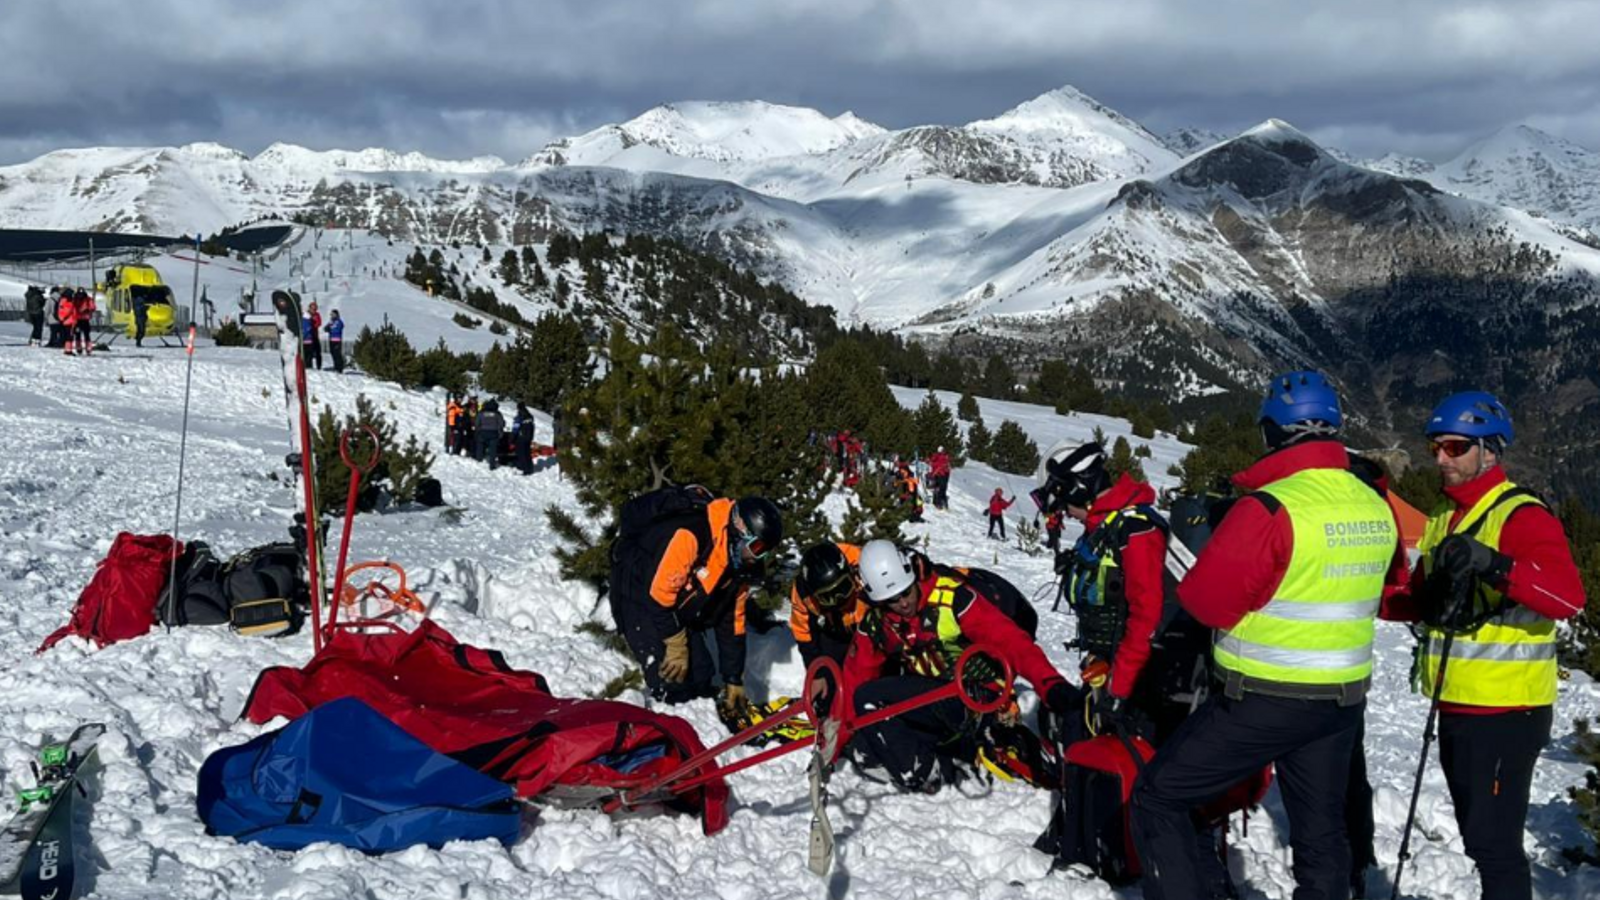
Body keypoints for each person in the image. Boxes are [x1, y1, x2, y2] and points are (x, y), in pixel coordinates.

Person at [1130, 371, 1404, 900]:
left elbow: (1206, 603)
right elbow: (1392, 586)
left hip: (1265, 698)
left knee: (1158, 797)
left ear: (1273, 434)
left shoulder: (1268, 507)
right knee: (1321, 834)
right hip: (1342, 700)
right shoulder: (1375, 503)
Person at [1381, 391, 1585, 900]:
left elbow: (1567, 597)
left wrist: (1495, 564)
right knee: (1480, 840)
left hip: (1507, 709)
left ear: (1490, 451)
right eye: (1435, 449)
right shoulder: (1441, 519)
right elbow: (1418, 602)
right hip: (1457, 704)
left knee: (1494, 845)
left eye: (1454, 448)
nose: (1441, 459)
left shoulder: (1521, 515)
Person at [844, 540, 1076, 791]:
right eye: (891, 599)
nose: (902, 603)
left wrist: (1049, 683)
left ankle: (923, 772)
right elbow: (856, 674)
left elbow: (1012, 643)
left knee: (870, 699)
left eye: (906, 592)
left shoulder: (953, 598)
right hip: (935, 703)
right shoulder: (878, 623)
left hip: (977, 698)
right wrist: (839, 733)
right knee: (864, 748)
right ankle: (948, 762)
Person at [1036, 441, 1177, 739]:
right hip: (1108, 663)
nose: (1066, 514)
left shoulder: (1136, 531)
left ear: (1078, 489)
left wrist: (1119, 688)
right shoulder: (1104, 528)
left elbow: (1146, 615)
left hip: (1138, 678)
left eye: (1065, 505)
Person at [609, 492, 782, 708]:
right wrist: (675, 643)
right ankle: (672, 713)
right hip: (638, 594)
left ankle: (709, 718)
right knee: (672, 679)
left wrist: (733, 678)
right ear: (740, 530)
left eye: (766, 551)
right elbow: (659, 597)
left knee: (701, 673)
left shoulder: (738, 563)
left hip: (673, 602)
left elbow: (732, 621)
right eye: (757, 548)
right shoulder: (691, 535)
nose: (760, 558)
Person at [790, 541, 868, 668]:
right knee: (828, 675)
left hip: (872, 625)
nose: (840, 599)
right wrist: (815, 669)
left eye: (844, 587)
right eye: (828, 596)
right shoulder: (803, 593)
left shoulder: (864, 562)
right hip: (835, 631)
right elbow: (803, 631)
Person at [474, 399, 505, 469]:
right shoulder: (497, 414)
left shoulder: (481, 412)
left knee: (480, 446)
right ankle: (492, 465)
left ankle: (479, 460)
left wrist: (478, 431)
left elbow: (477, 423)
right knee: (493, 449)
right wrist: (500, 433)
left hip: (483, 432)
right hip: (493, 433)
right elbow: (501, 424)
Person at [511, 402, 535, 474]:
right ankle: (530, 467)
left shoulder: (520, 416)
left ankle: (524, 468)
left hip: (521, 437)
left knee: (521, 453)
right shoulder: (529, 416)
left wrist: (512, 439)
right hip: (529, 436)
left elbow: (516, 428)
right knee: (527, 452)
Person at [72, 288, 95, 356]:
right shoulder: (75, 299)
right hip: (77, 319)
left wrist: (88, 309)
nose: (80, 295)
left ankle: (88, 348)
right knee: (78, 335)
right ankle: (79, 348)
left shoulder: (88, 299)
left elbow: (93, 307)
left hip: (85, 319)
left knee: (86, 335)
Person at [56, 289, 79, 357]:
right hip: (70, 321)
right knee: (70, 336)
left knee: (67, 336)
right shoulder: (68, 301)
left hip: (65, 321)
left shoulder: (62, 301)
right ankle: (68, 350)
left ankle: (67, 349)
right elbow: (70, 310)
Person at [928, 445, 952, 510]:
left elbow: (935, 465)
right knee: (941, 489)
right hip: (941, 474)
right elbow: (937, 465)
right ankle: (940, 503)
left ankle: (940, 503)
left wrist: (932, 474)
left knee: (940, 489)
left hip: (941, 474)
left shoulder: (942, 457)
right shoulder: (941, 457)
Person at [301, 301, 322, 370]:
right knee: (306, 352)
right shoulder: (305, 315)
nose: (313, 310)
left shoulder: (317, 315)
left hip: (314, 335)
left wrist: (312, 325)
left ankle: (318, 366)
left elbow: (319, 323)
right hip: (306, 336)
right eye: (312, 308)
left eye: (315, 309)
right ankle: (307, 365)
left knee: (317, 352)